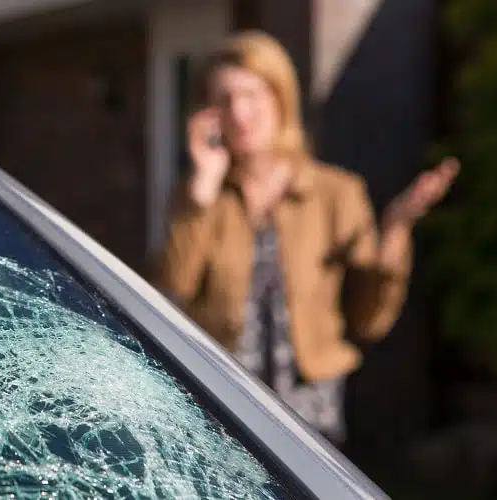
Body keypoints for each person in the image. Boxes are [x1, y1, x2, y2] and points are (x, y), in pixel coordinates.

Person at [155, 31, 458, 445]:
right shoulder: (201, 196)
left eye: (252, 94)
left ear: (280, 98)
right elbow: (171, 293)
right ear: (208, 114)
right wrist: (200, 196)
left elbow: (370, 319)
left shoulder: (337, 193)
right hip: (221, 408)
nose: (239, 113)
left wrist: (396, 230)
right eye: (224, 99)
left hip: (313, 415)